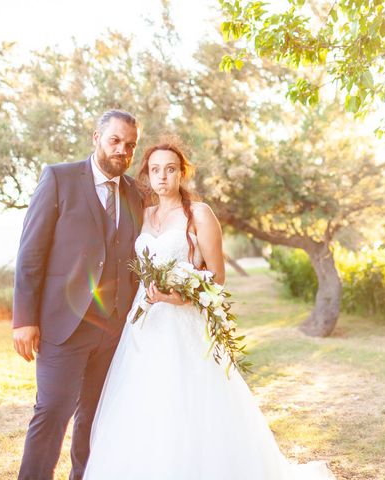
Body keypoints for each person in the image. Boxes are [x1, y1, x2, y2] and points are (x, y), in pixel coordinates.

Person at [83, 140, 335, 479]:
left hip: (183, 322)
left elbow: (217, 277)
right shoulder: (143, 214)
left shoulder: (199, 214)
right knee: (146, 403)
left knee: (192, 401)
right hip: (144, 326)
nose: (162, 177)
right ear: (147, 175)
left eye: (170, 169)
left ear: (182, 173)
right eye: (155, 170)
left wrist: (180, 295)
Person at [12, 109, 144, 480]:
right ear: (96, 137)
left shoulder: (134, 192)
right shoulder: (59, 178)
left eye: (130, 145)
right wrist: (24, 319)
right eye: (115, 140)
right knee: (52, 412)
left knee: (95, 417)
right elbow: (30, 253)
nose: (123, 150)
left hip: (114, 330)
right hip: (64, 325)